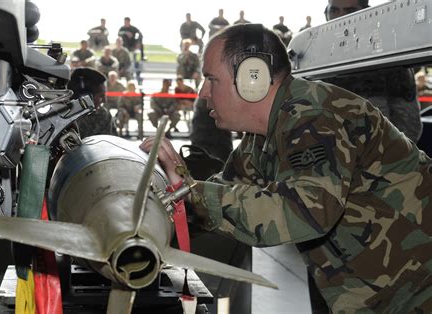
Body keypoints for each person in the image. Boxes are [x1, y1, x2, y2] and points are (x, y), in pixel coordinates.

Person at [140, 24, 432, 312]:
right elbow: (224, 190)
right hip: (369, 287)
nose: (203, 92)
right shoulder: (264, 133)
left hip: (418, 287)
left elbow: (305, 211)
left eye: (211, 79)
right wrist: (159, 205)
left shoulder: (312, 117)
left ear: (252, 77)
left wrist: (189, 192)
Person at [323, 0, 422, 143]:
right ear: (325, 13)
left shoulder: (388, 51)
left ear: (367, 12)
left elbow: (408, 123)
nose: (341, 18)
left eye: (350, 11)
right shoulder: (314, 55)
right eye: (334, 11)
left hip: (379, 154)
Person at [67, 68, 112, 138]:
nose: (104, 100)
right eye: (101, 96)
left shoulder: (103, 115)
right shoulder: (63, 119)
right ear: (85, 97)